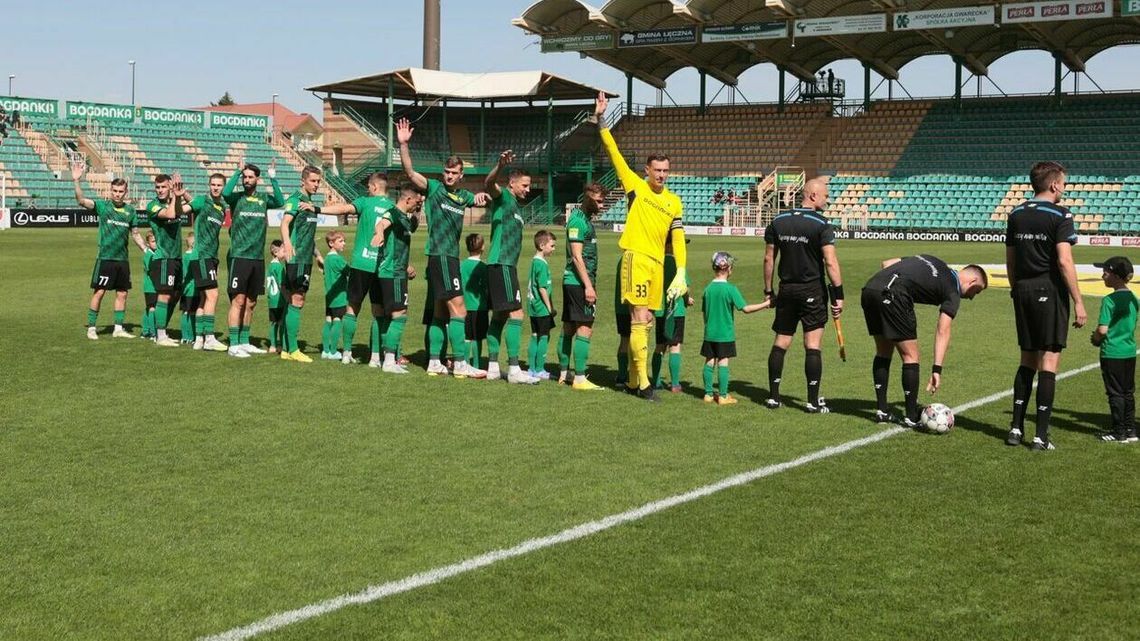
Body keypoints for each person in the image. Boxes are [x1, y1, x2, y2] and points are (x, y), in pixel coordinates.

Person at [595, 91, 688, 401]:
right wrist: (601, 118)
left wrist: (682, 272)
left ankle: (635, 381)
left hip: (659, 265)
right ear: (647, 170)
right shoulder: (635, 186)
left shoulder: (674, 201)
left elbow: (676, 238)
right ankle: (644, 384)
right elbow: (612, 150)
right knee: (639, 317)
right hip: (636, 257)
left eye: (665, 170)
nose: (661, 174)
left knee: (647, 321)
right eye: (656, 170)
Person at [396, 117, 490, 378]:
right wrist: (404, 145)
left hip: (447, 258)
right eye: (446, 172)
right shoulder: (435, 188)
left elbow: (478, 199)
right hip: (441, 256)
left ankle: (435, 362)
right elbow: (410, 173)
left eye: (453, 173)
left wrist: (482, 197)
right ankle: (460, 363)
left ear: (461, 175)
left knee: (440, 312)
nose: (448, 176)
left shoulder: (463, 196)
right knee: (459, 309)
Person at [1005, 161, 1087, 451]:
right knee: (1049, 361)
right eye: (1064, 183)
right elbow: (1064, 260)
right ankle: (1040, 435)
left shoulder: (1015, 213)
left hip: (1023, 289)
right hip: (1048, 289)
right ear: (1054, 185)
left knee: (1027, 358)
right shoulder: (1061, 214)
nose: (1064, 188)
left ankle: (1015, 428)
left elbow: (1011, 261)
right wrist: (1078, 301)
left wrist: (1017, 289)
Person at [861, 256, 989, 427]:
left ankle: (882, 411)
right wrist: (937, 369)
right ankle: (912, 416)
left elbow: (886, 263)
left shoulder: (934, 261)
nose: (973, 297)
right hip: (895, 295)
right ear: (972, 281)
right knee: (910, 356)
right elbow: (943, 330)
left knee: (884, 352)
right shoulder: (953, 291)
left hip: (871, 289)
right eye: (977, 291)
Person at [763, 177, 844, 413]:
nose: (827, 200)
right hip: (812, 290)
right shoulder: (821, 223)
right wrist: (838, 294)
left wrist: (769, 290)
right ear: (812, 196)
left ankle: (774, 397)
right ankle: (811, 401)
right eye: (825, 196)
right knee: (812, 344)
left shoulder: (777, 221)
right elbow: (830, 261)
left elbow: (769, 258)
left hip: (786, 290)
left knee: (781, 342)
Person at [313, 172, 395, 365]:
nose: (368, 189)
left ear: (374, 187)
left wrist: (318, 209)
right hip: (380, 265)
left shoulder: (365, 202)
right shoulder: (392, 207)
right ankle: (375, 357)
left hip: (360, 263)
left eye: (368, 186)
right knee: (378, 312)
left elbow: (343, 209)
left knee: (352, 309)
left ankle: (347, 353)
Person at [73, 161, 147, 340]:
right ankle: (92, 328)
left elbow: (135, 234)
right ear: (110, 191)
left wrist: (146, 249)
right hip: (105, 258)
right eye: (115, 191)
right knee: (99, 292)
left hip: (122, 260)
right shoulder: (103, 207)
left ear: (126, 192)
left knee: (122, 293)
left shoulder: (130, 211)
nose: (117, 194)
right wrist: (76, 181)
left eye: (121, 192)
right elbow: (81, 201)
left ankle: (118, 328)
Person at [482, 151, 538, 384]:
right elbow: (488, 183)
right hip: (502, 264)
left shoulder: (514, 205)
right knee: (516, 314)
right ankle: (514, 370)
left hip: (504, 265)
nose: (527, 189)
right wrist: (499, 165)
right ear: (512, 184)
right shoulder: (504, 197)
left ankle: (494, 367)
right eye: (524, 185)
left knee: (499, 317)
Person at [223, 159, 285, 357]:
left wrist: (273, 178)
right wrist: (237, 171)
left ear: (257, 179)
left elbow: (281, 202)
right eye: (244, 177)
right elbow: (224, 193)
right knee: (238, 301)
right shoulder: (236, 198)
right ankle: (233, 344)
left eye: (250, 177)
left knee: (251, 302)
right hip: (239, 256)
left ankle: (244, 340)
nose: (246, 180)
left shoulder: (263, 199)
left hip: (257, 258)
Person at [701, 252, 770, 405]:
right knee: (723, 362)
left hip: (709, 333)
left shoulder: (707, 289)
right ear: (728, 268)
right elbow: (745, 308)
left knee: (709, 361)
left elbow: (704, 313)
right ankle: (723, 396)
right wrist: (765, 304)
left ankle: (708, 394)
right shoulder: (731, 289)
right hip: (725, 334)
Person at [558, 182, 607, 391]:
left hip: (573, 283)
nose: (602, 206)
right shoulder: (577, 221)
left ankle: (563, 373)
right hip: (578, 283)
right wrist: (588, 286)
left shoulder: (584, 219)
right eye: (598, 201)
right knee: (585, 328)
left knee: (568, 327)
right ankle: (579, 378)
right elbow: (577, 257)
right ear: (587, 199)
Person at [374, 185, 423, 374]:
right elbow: (381, 224)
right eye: (414, 204)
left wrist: (419, 209)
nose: (415, 207)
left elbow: (413, 226)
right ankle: (389, 360)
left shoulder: (404, 218)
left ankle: (388, 358)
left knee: (391, 316)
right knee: (399, 314)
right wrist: (379, 234)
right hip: (392, 272)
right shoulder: (392, 213)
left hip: (398, 271)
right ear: (407, 199)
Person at [278, 166, 324, 363]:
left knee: (292, 301)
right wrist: (287, 243)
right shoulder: (296, 199)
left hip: (305, 257)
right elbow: (284, 223)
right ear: (303, 181)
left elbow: (307, 235)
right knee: (297, 300)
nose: (316, 184)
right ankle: (294, 350)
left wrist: (318, 255)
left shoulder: (309, 203)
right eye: (313, 181)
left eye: (318, 181)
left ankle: (287, 349)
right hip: (297, 259)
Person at [1090, 256, 1137, 443]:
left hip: (1112, 352)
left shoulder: (1109, 300)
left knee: (1115, 393)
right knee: (1128, 392)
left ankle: (1119, 432)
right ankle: (1130, 429)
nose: (1103, 276)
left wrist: (1095, 338)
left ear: (1116, 276)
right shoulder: (1134, 299)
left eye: (1106, 273)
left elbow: (1102, 330)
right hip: (1129, 350)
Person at [143, 172, 191, 347]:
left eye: (163, 187)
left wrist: (179, 195)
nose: (160, 190)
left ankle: (160, 329)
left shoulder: (174, 199)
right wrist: (175, 197)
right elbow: (171, 214)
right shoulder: (153, 206)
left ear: (170, 186)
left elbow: (189, 205)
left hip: (176, 258)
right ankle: (160, 335)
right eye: (158, 187)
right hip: (163, 258)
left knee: (175, 293)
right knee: (163, 295)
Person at [188, 172, 229, 352]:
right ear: (209, 185)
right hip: (203, 255)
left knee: (204, 298)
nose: (215, 187)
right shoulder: (202, 201)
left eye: (219, 185)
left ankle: (199, 338)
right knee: (213, 295)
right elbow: (186, 209)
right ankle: (210, 337)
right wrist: (181, 198)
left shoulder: (220, 207)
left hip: (211, 256)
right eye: (213, 184)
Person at [653, 237, 692, 393]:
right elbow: (684, 288)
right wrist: (688, 299)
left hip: (661, 310)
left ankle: (655, 381)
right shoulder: (678, 265)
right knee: (675, 346)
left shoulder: (657, 264)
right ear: (669, 245)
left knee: (660, 346)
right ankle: (675, 384)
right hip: (677, 311)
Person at [527, 230, 557, 379]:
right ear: (542, 245)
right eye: (552, 246)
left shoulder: (534, 261)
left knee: (534, 336)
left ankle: (531, 368)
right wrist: (549, 307)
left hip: (533, 306)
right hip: (541, 308)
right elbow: (542, 287)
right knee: (544, 336)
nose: (553, 249)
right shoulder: (542, 264)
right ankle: (539, 369)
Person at [460, 233, 489, 370]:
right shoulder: (484, 267)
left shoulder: (462, 265)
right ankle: (476, 365)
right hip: (480, 307)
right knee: (478, 337)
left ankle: (465, 363)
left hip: (463, 307)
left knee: (466, 336)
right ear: (482, 247)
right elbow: (487, 287)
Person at [321, 231, 349, 360]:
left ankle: (325, 350)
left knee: (328, 320)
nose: (344, 243)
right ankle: (333, 352)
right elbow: (349, 271)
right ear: (331, 243)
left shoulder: (327, 258)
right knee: (338, 320)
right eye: (341, 241)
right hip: (339, 295)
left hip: (329, 295)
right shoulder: (337, 259)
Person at [264, 240, 286, 356]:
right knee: (281, 322)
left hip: (271, 300)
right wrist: (287, 297)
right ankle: (281, 345)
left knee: (273, 323)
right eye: (284, 250)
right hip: (280, 300)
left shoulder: (270, 266)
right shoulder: (279, 267)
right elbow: (281, 284)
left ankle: (272, 345)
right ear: (276, 252)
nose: (286, 252)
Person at [614, 257, 631, 389]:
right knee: (634, 341)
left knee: (624, 341)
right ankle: (630, 375)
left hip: (621, 307)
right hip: (632, 306)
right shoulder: (632, 259)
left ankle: (621, 375)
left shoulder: (622, 259)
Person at [180, 232, 199, 345]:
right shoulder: (194, 256)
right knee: (192, 313)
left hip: (185, 288)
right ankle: (192, 336)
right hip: (193, 289)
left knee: (185, 312)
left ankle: (184, 336)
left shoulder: (183, 256)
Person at [141, 233, 158, 339]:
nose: (155, 243)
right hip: (151, 286)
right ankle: (153, 332)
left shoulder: (153, 253)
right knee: (152, 308)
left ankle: (145, 331)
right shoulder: (149, 255)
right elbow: (151, 270)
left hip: (150, 286)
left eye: (156, 241)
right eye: (153, 241)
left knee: (149, 307)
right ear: (147, 244)